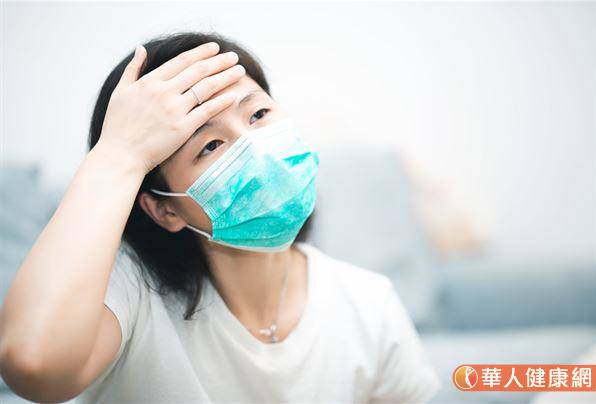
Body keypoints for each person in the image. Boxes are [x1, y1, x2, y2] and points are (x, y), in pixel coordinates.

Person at [0, 31, 441, 403]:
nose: (255, 148)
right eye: (210, 145)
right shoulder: (131, 295)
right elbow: (34, 364)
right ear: (164, 208)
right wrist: (118, 153)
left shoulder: (369, 304)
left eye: (259, 114)